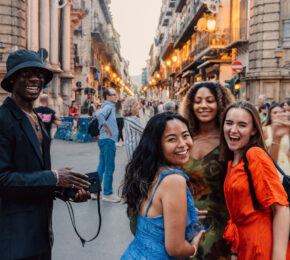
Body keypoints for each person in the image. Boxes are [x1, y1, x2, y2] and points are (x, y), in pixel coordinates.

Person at [0, 49, 91, 260]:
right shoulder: (4, 119)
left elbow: (33, 175)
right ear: (12, 80)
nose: (35, 79)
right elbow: (3, 179)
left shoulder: (36, 119)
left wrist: (66, 189)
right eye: (26, 74)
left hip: (41, 233)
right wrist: (55, 177)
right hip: (14, 238)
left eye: (39, 74)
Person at [121, 112, 205, 259]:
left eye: (185, 135)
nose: (183, 144)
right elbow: (176, 249)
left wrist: (186, 215)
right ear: (157, 145)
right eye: (172, 139)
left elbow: (152, 219)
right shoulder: (174, 180)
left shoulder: (151, 172)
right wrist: (193, 247)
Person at [220, 101, 290, 260]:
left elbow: (281, 208)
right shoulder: (233, 161)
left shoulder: (255, 155)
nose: (233, 130)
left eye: (242, 125)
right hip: (247, 247)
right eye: (229, 123)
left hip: (263, 246)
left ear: (253, 131)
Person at [179, 81, 234, 259]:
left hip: (220, 227)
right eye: (198, 101)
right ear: (190, 105)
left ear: (220, 104)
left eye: (210, 100)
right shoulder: (182, 139)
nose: (203, 105)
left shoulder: (230, 139)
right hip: (183, 223)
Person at [93, 88, 120, 203]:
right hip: (108, 140)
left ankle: (95, 191)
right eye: (113, 95)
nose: (116, 96)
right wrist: (108, 129)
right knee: (109, 166)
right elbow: (97, 114)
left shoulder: (106, 106)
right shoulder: (108, 106)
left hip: (103, 139)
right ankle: (107, 193)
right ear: (108, 97)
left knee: (102, 166)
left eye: (115, 94)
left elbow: (97, 113)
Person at [263, 103, 290, 174]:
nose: (278, 115)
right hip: (271, 166)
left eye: (281, 112)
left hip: (285, 166)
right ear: (270, 116)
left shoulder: (286, 130)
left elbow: (287, 152)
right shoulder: (265, 130)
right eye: (275, 113)